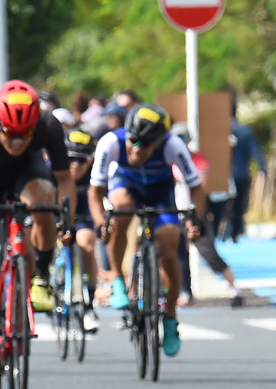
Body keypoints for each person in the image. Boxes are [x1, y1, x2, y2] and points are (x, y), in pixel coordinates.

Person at [0, 80, 74, 389]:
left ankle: (40, 276)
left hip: (28, 173)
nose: (16, 142)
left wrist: (64, 218)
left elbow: (65, 180)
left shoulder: (47, 124)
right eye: (9, 134)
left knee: (44, 199)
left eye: (24, 135)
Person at [88, 104, 207, 357]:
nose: (136, 149)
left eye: (145, 145)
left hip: (160, 192)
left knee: (168, 248)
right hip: (126, 186)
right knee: (120, 209)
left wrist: (194, 219)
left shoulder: (173, 145)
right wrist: (101, 223)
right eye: (132, 141)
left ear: (159, 141)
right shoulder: (111, 142)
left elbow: (196, 187)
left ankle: (171, 319)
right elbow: (96, 191)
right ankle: (119, 281)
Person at [170, 122, 244, 308]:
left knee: (208, 252)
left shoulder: (197, 159)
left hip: (194, 212)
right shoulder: (168, 160)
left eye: (184, 139)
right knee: (178, 256)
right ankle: (185, 293)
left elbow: (200, 184)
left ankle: (234, 288)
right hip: (174, 211)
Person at [63, 129, 100, 330]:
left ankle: (89, 303)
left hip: (83, 215)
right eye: (70, 159)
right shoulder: (53, 168)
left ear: (91, 160)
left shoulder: (96, 173)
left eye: (82, 160)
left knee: (86, 243)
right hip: (57, 214)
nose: (75, 165)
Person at [227, 100, 266, 242]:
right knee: (239, 206)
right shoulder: (245, 131)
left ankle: (227, 231)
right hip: (242, 174)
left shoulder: (221, 131)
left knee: (225, 205)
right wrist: (262, 168)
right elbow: (256, 150)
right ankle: (235, 232)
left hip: (227, 175)